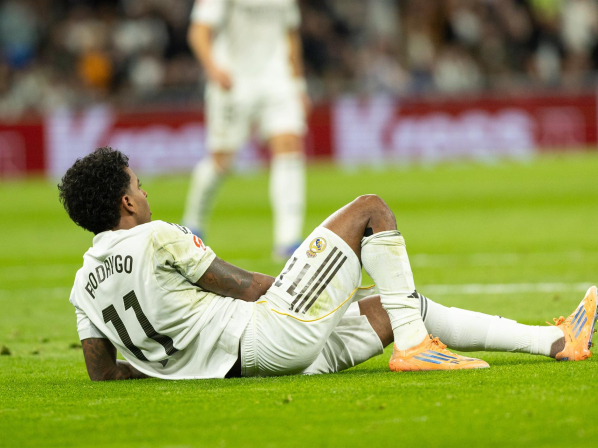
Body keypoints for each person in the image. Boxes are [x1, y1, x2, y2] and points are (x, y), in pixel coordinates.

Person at [58, 148, 596, 381]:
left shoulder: (83, 286)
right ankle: (415, 350)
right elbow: (243, 287)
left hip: (248, 369)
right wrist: (314, 286)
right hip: (271, 334)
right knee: (370, 210)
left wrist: (172, 365)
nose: (145, 193)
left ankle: (555, 342)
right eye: (139, 185)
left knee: (397, 307)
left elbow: (104, 373)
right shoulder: (155, 236)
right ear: (127, 202)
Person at [182, 0, 309, 259]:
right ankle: (193, 222)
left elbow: (290, 34)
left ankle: (288, 241)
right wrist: (213, 69)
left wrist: (298, 85)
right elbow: (198, 31)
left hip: (277, 80)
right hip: (234, 80)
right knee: (222, 161)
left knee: (289, 147)